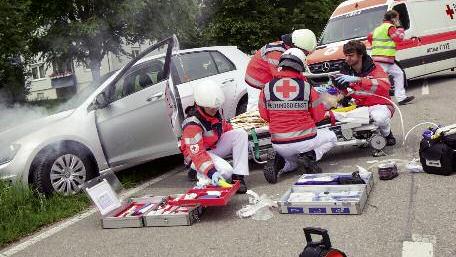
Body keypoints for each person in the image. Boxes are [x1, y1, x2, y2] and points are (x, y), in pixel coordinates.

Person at [259, 48, 337, 176]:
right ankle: (310, 157)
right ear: (301, 65)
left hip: (278, 143)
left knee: (292, 162)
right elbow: (318, 116)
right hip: (304, 140)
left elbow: (264, 115)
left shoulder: (266, 88)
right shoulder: (306, 87)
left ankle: (281, 163)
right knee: (331, 137)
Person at [180, 80, 249, 194]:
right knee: (226, 171)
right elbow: (197, 154)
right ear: (200, 105)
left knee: (240, 134)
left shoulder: (213, 111)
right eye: (211, 108)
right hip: (196, 157)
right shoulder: (192, 125)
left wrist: (242, 145)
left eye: (216, 107)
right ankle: (197, 172)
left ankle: (238, 177)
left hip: (211, 149)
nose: (214, 110)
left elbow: (224, 128)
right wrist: (211, 172)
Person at [335, 40, 396, 146]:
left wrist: (358, 80)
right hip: (359, 106)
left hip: (380, 105)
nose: (347, 59)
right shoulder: (345, 71)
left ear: (361, 55)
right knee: (338, 117)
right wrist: (333, 91)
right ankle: (362, 134)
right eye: (346, 56)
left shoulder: (375, 68)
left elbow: (385, 84)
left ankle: (387, 134)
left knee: (379, 118)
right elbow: (343, 92)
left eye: (351, 56)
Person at [244, 29, 317, 111]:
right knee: (256, 110)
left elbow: (296, 74)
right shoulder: (276, 53)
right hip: (257, 83)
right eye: (305, 52)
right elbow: (281, 77)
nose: (305, 55)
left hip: (267, 80)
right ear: (296, 46)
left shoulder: (288, 50)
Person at [368, 10, 414, 105]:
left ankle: (401, 98)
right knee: (380, 81)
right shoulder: (390, 27)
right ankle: (376, 101)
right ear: (393, 19)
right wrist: (400, 27)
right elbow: (399, 38)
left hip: (382, 58)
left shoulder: (378, 28)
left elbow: (369, 37)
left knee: (399, 74)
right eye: (397, 18)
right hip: (384, 58)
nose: (398, 20)